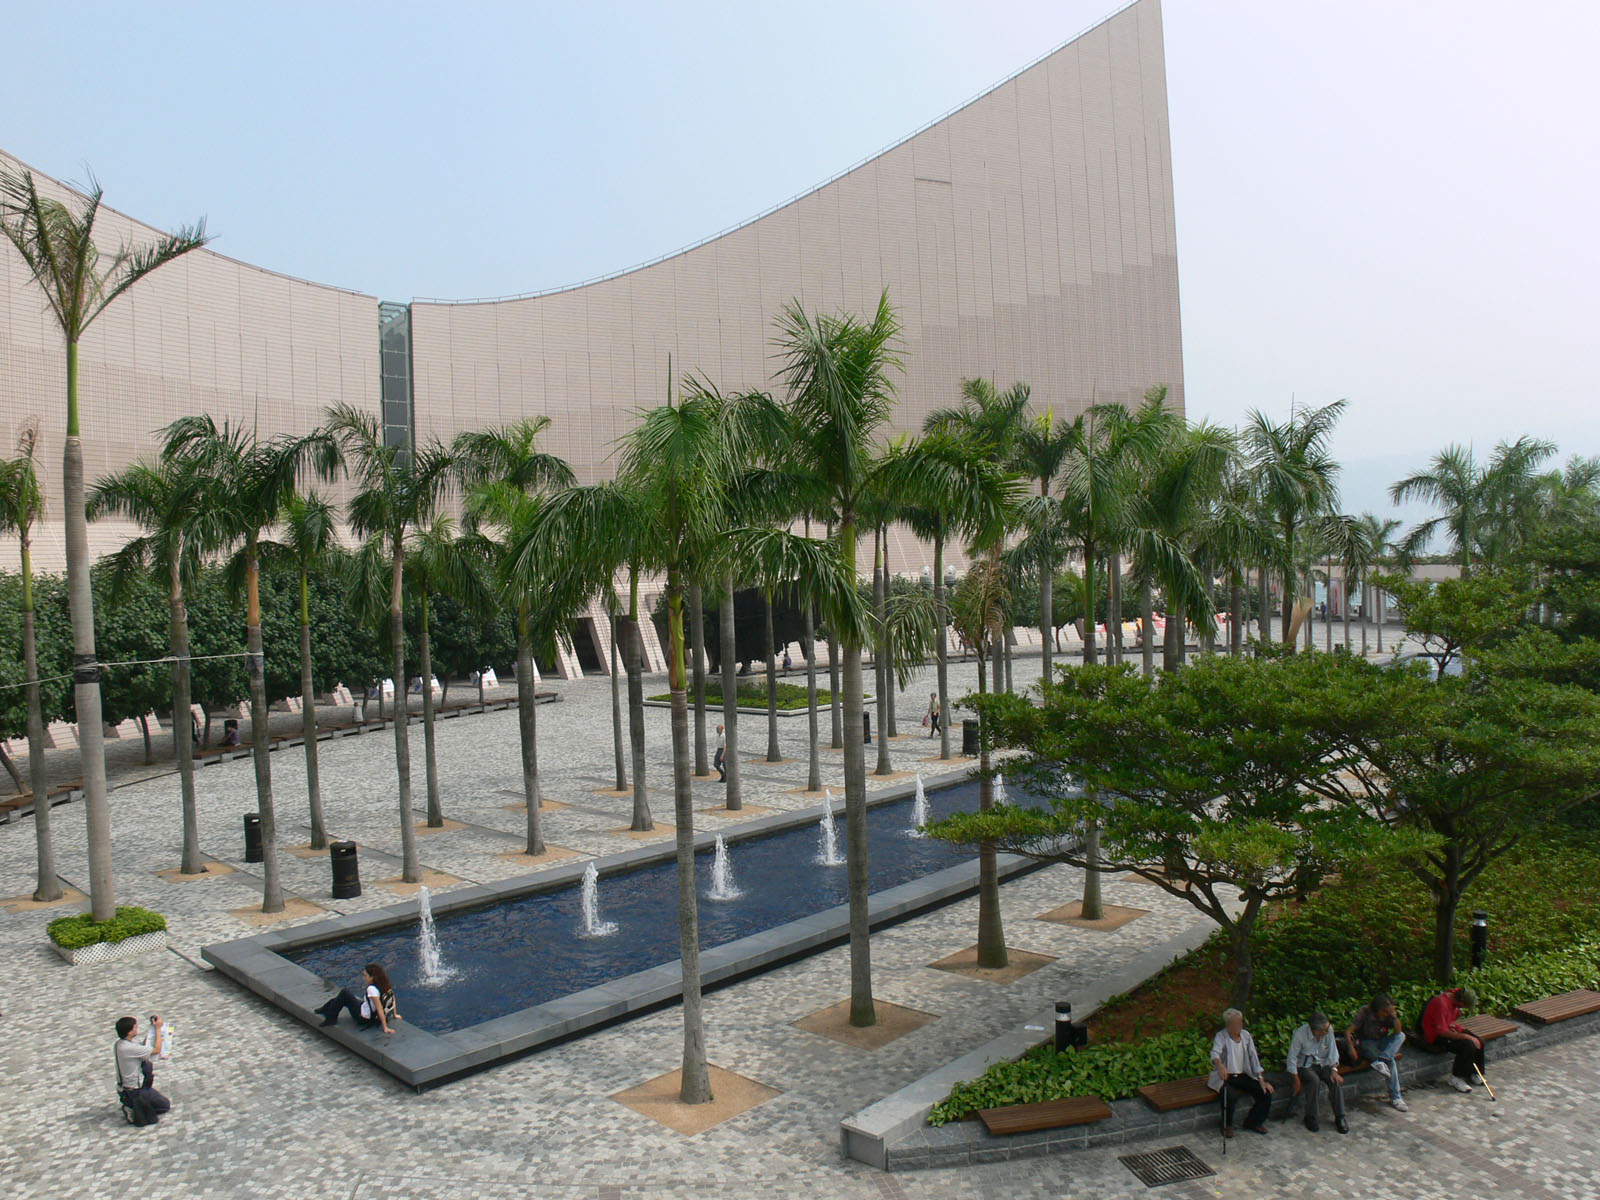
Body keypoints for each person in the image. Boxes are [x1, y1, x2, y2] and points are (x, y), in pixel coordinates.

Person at [1209, 1007, 1274, 1136]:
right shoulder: (1221, 1036)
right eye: (1234, 1023)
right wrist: (1220, 1066)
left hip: (1244, 1075)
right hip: (1227, 1076)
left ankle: (1253, 1122)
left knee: (1265, 1093)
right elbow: (1215, 1053)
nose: (1238, 1026)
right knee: (1230, 1095)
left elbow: (1254, 1059)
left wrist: (1261, 1080)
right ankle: (1226, 1125)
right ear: (1228, 1025)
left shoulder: (1246, 1036)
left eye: (1240, 1022)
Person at [1286, 1011, 1347, 1133]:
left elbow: (1333, 1053)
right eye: (1325, 1030)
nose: (1328, 1031)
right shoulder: (1300, 1034)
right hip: (1306, 1066)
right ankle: (1311, 1117)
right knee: (1314, 1081)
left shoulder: (1328, 1031)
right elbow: (1292, 1058)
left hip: (1324, 1064)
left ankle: (1340, 1117)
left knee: (1334, 1081)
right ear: (1316, 1030)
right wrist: (1296, 1079)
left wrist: (1334, 1070)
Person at [1346, 993, 1408, 1111]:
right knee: (1392, 1063)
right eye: (1384, 1012)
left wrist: (1394, 1017)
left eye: (1388, 1012)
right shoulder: (1364, 1012)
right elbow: (1348, 1031)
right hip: (1366, 1043)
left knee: (1401, 1036)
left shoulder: (1389, 1015)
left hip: (1381, 1042)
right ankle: (1396, 1097)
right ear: (1377, 1009)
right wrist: (1350, 1047)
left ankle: (1382, 1060)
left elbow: (1398, 1031)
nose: (1386, 1014)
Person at [1421, 985, 1484, 1093]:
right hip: (1436, 1036)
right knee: (1467, 1045)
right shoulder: (1441, 1003)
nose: (1463, 1008)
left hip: (1450, 1027)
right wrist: (1465, 1036)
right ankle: (1456, 1078)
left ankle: (1474, 1072)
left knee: (1479, 1041)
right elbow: (1442, 1031)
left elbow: (1450, 1020)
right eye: (1464, 1006)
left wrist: (1457, 1016)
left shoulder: (1455, 999)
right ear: (1460, 1001)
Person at [115, 1015, 171, 1121]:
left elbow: (143, 1046)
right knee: (164, 1105)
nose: (137, 1028)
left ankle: (132, 1103)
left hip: (124, 1088)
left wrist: (153, 1028)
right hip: (134, 1091)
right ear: (130, 1032)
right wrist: (159, 1029)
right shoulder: (129, 1048)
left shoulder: (120, 1044)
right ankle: (132, 1106)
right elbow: (156, 1050)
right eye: (135, 1027)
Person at [315, 963, 399, 1034]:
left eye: (365, 976)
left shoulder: (372, 989)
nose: (364, 978)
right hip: (369, 1011)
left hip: (363, 1018)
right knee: (341, 999)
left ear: (372, 977)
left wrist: (385, 1027)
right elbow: (392, 999)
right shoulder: (385, 985)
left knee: (344, 993)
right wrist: (394, 1014)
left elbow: (379, 1008)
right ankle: (325, 1009)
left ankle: (331, 1018)